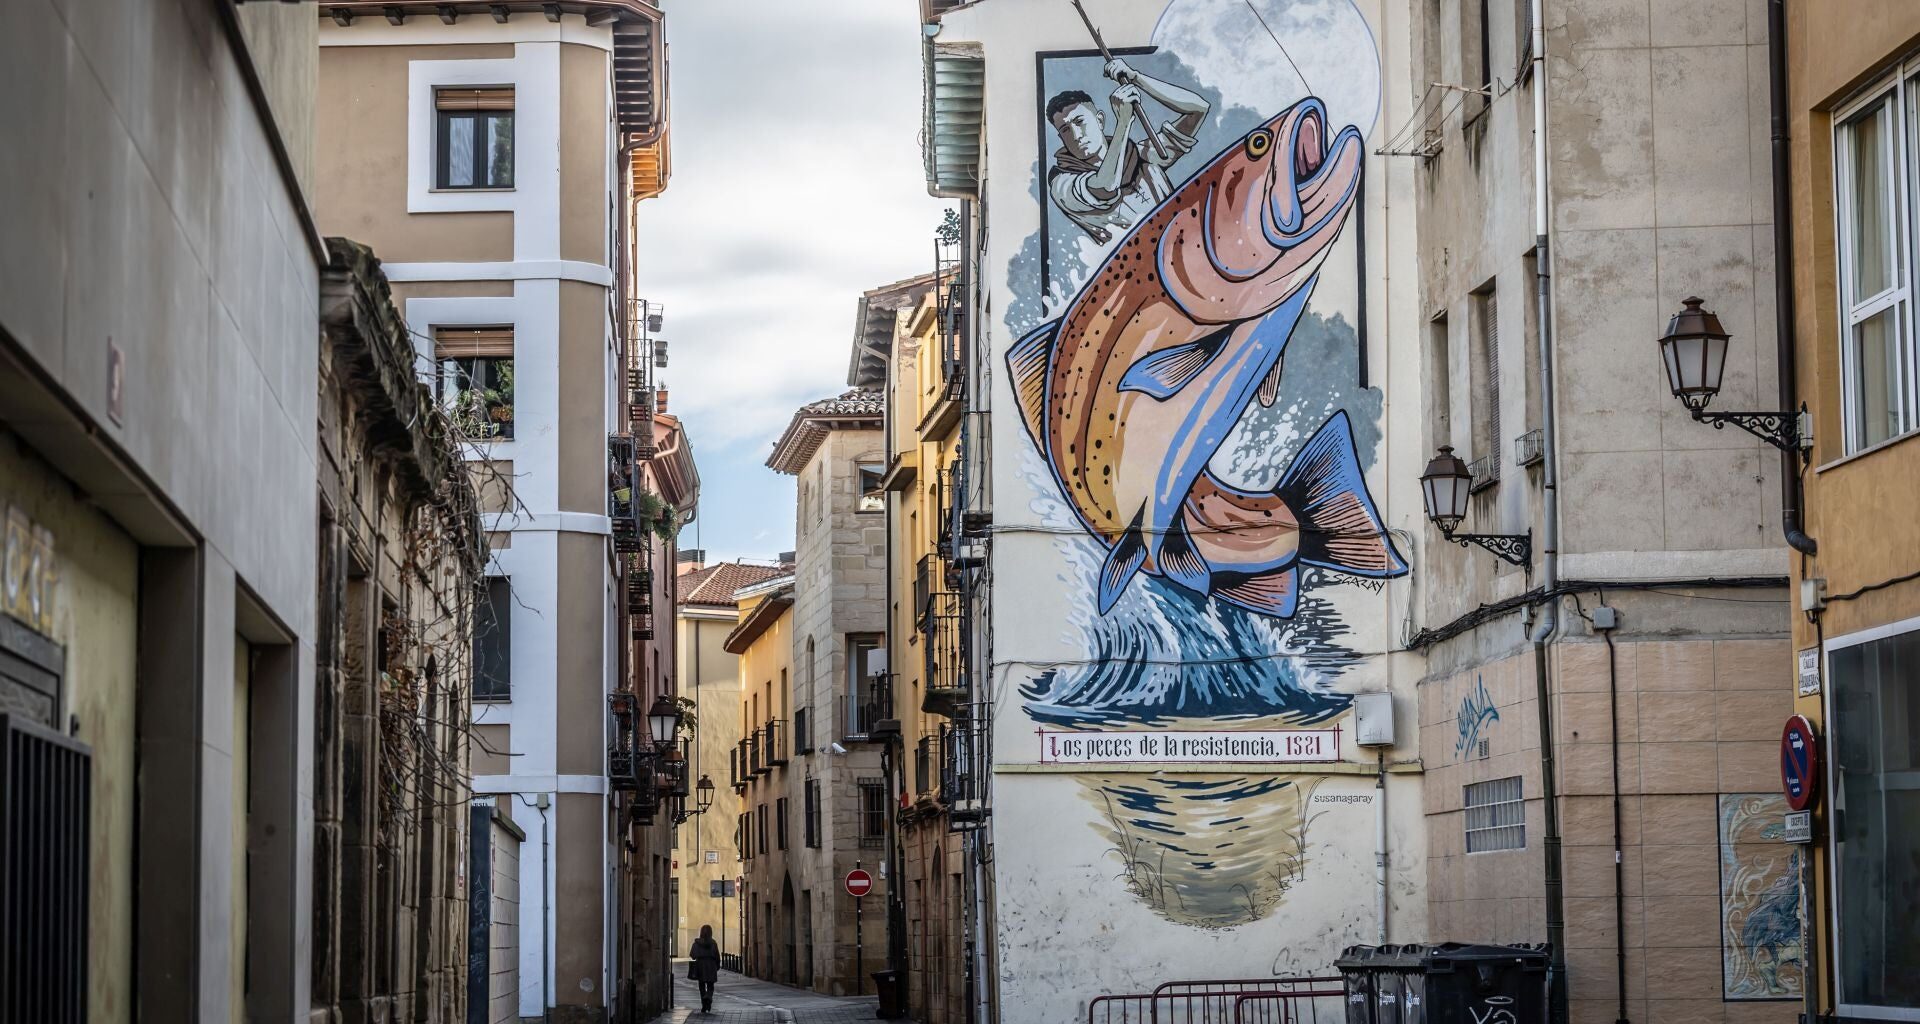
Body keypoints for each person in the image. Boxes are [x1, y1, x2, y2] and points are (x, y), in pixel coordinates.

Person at [1047, 57, 1212, 244]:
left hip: (1186, 246)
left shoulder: (1141, 155)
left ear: (1100, 120)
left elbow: (1198, 109)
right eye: (1065, 130)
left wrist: (1136, 78)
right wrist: (1124, 122)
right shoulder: (1061, 183)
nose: (1076, 136)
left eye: (1079, 122)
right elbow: (1104, 187)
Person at [688, 924, 721, 1013]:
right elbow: (717, 956)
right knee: (710, 985)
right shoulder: (713, 943)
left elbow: (692, 955)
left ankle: (704, 1005)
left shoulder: (696, 943)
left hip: (700, 965)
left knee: (701, 986)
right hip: (711, 965)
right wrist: (717, 965)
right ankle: (709, 997)